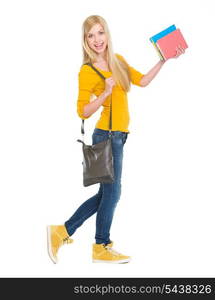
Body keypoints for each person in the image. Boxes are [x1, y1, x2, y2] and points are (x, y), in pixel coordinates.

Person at [47, 15, 185, 264]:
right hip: (106, 136)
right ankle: (101, 245)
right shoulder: (87, 71)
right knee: (112, 193)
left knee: (108, 194)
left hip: (120, 136)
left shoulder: (118, 61)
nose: (97, 39)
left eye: (100, 33)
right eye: (91, 35)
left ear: (107, 35)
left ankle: (62, 231)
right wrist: (106, 93)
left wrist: (163, 60)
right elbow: (83, 111)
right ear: (85, 40)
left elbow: (142, 81)